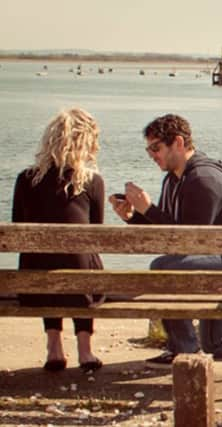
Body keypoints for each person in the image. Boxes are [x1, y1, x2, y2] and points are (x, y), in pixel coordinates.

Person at [109, 114, 222, 368]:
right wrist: (134, 216)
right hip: (214, 258)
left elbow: (189, 242)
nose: (152, 155)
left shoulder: (203, 179)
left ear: (178, 142)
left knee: (163, 268)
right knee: (216, 343)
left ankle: (184, 350)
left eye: (156, 148)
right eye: (149, 149)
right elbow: (170, 235)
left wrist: (149, 209)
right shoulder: (173, 180)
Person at [12, 108, 104, 372]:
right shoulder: (92, 182)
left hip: (35, 289)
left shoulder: (25, 180)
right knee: (84, 261)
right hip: (83, 290)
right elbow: (96, 234)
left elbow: (18, 229)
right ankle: (85, 350)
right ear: (86, 143)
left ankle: (54, 346)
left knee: (43, 260)